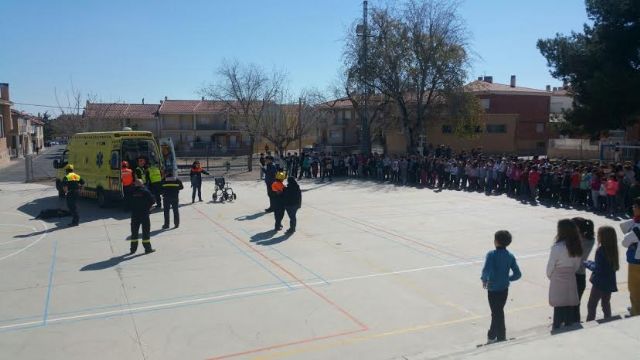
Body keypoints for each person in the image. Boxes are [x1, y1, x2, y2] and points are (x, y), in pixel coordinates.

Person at [481, 230, 521, 343]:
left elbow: (486, 270)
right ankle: (495, 335)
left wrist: (484, 280)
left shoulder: (491, 255)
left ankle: (497, 336)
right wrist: (507, 278)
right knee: (498, 311)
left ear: (496, 241)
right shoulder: (510, 256)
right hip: (504, 289)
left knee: (496, 312)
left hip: (493, 289)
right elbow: (518, 274)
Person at [547, 219, 583, 329]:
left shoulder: (557, 247)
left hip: (558, 277)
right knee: (569, 303)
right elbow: (577, 265)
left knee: (558, 305)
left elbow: (550, 266)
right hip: (571, 276)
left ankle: (557, 326)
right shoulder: (577, 246)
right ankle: (568, 324)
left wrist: (550, 276)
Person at [585, 226, 619, 321]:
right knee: (605, 303)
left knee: (592, 304)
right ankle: (608, 319)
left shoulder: (600, 250)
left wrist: (587, 264)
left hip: (599, 282)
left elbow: (598, 268)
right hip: (609, 281)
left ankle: (590, 321)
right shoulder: (613, 249)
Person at [572, 217, 596, 320]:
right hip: (581, 275)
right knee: (576, 303)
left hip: (573, 275)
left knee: (570, 303)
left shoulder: (576, 241)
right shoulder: (590, 240)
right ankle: (575, 321)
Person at [620, 197, 640, 316]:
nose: (633, 208)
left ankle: (636, 312)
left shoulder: (637, 228)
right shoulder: (635, 223)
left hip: (636, 261)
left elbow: (624, 242)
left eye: (635, 206)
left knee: (634, 287)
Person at [129, 179, 155, 254]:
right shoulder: (145, 191)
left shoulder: (131, 192)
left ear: (135, 184)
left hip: (135, 215)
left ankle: (132, 250)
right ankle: (147, 249)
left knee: (134, 233)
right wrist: (148, 207)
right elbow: (153, 201)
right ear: (142, 184)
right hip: (144, 214)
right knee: (146, 232)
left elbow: (127, 203)